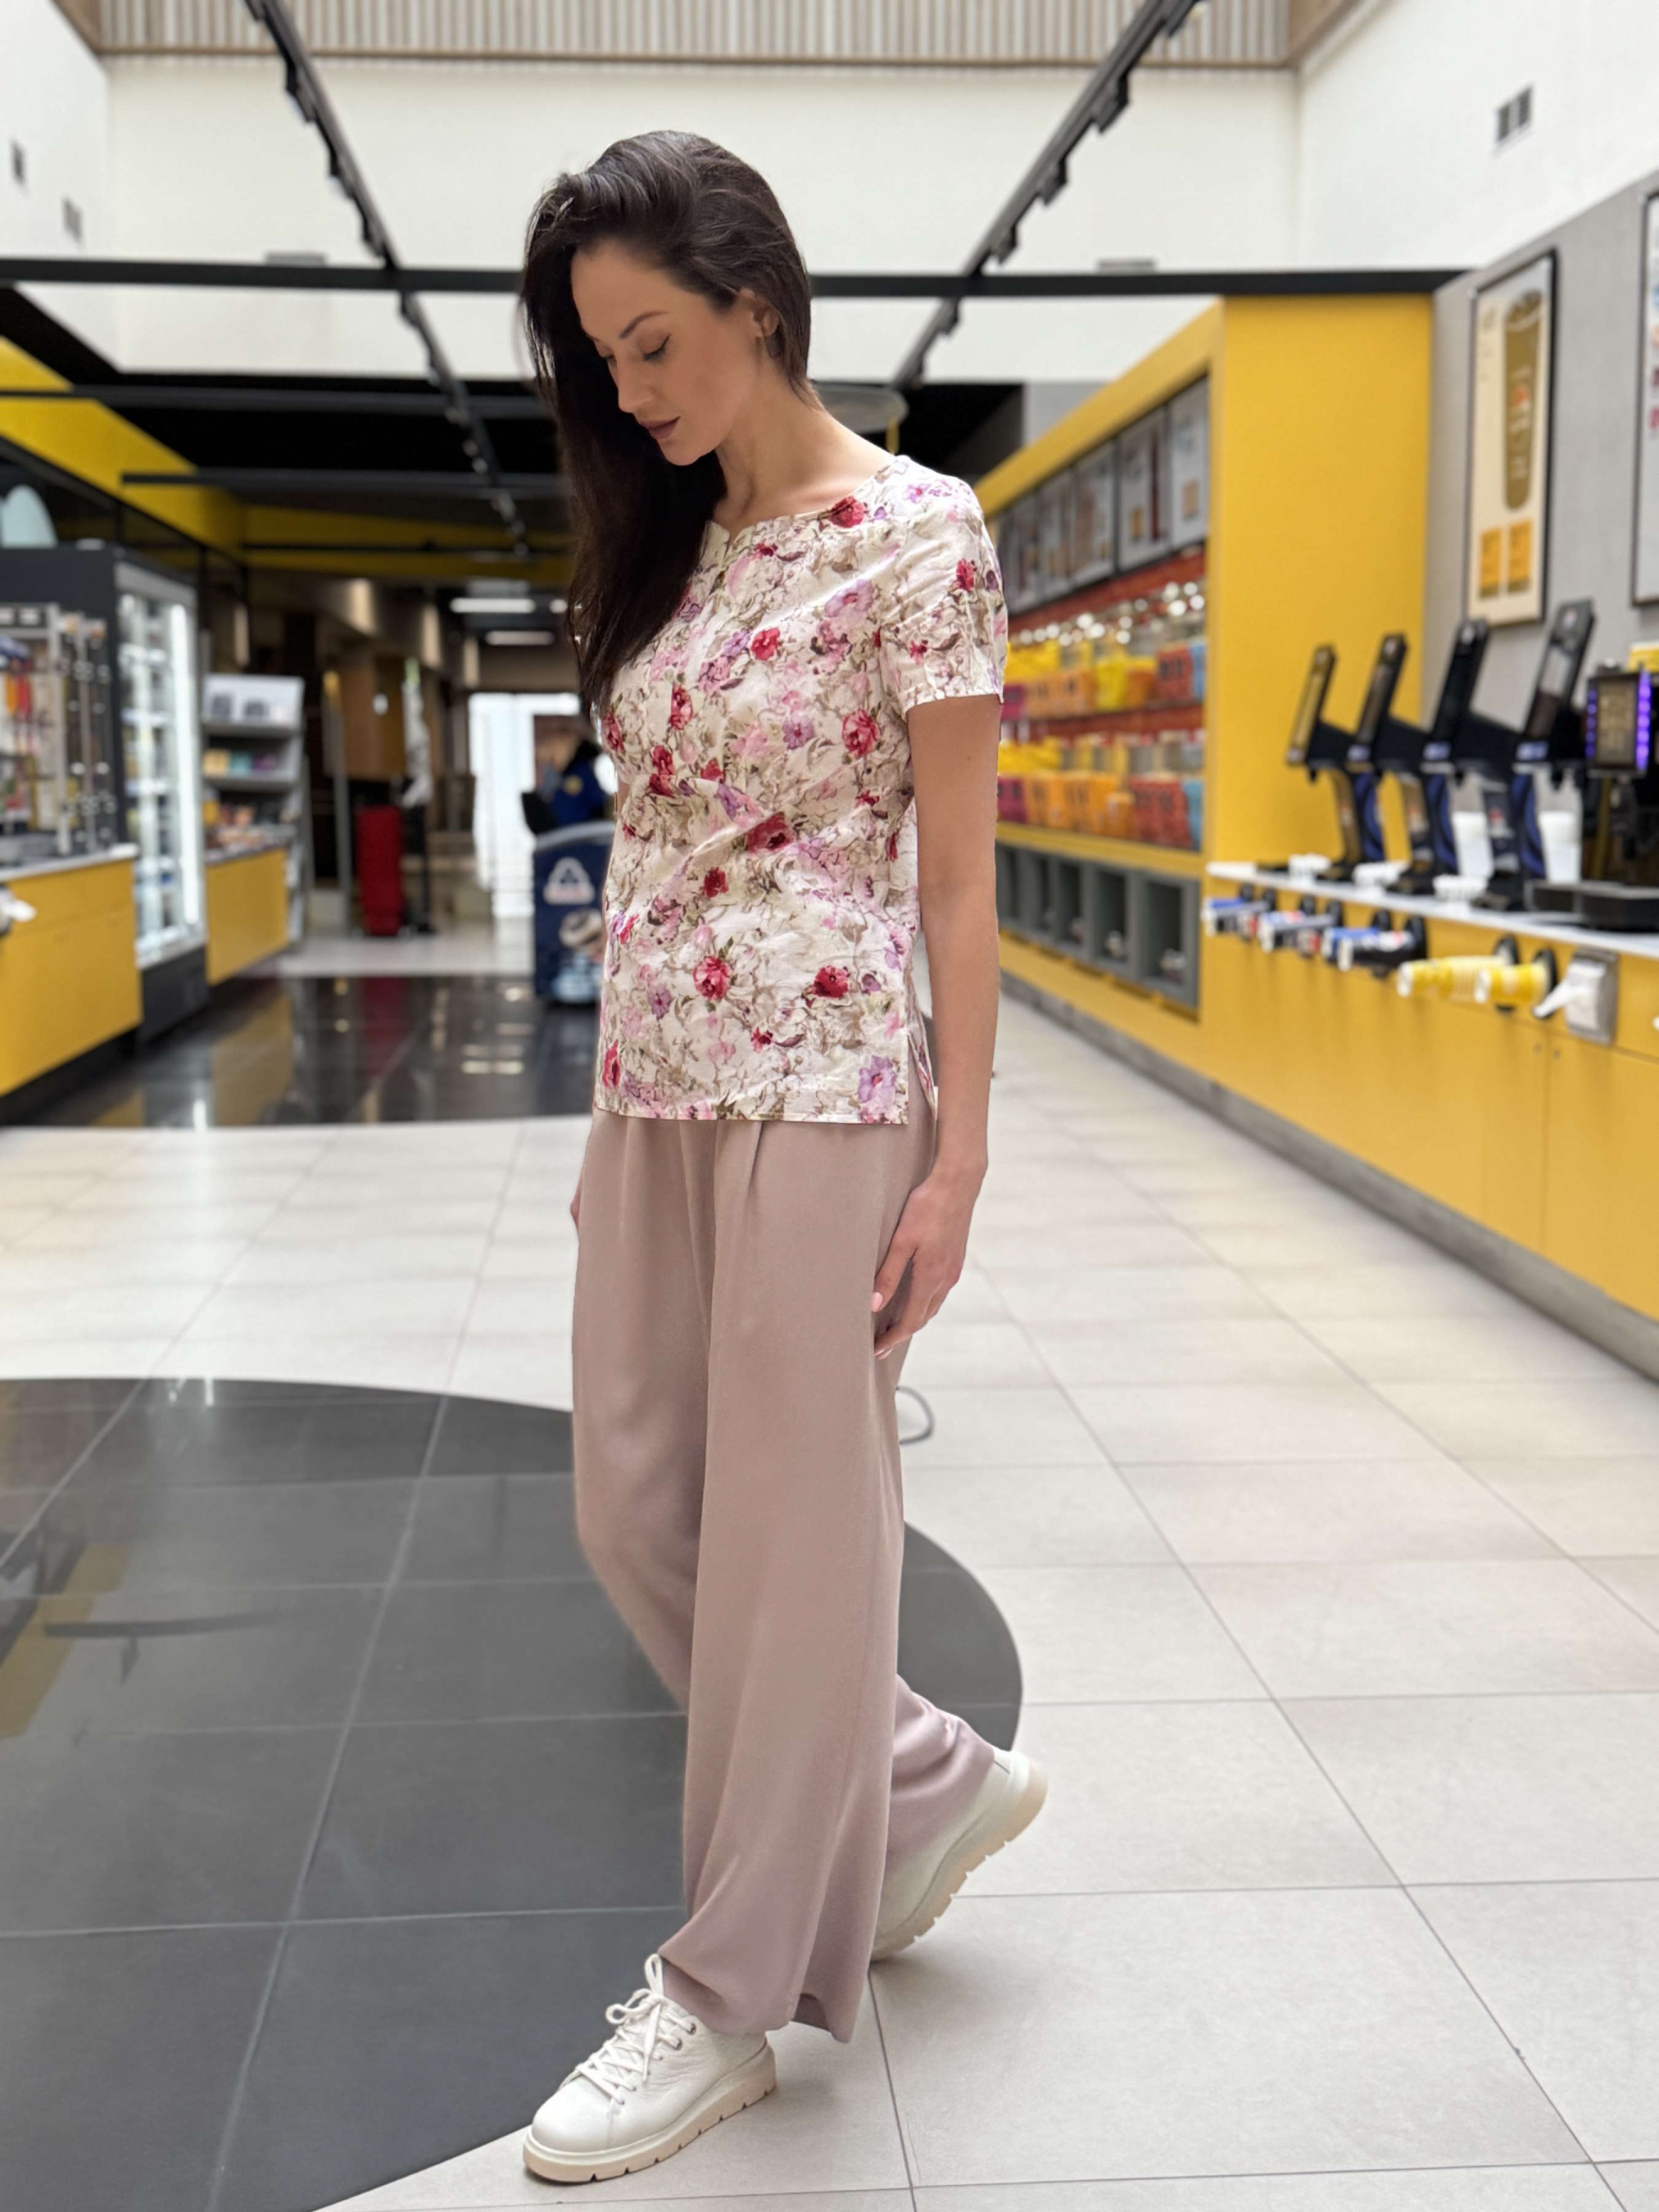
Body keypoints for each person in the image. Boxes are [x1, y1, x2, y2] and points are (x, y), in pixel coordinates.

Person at [517, 129, 1047, 2185]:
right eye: (602, 359)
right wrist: (607, 1126)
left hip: (829, 1087)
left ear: (757, 299)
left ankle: (725, 1999)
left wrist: (958, 1164)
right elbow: (655, 851)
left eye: (653, 342)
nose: (630, 389)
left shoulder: (918, 533)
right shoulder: (675, 545)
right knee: (632, 1504)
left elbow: (958, 890)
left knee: (792, 1547)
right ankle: (914, 1779)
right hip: (655, 1086)